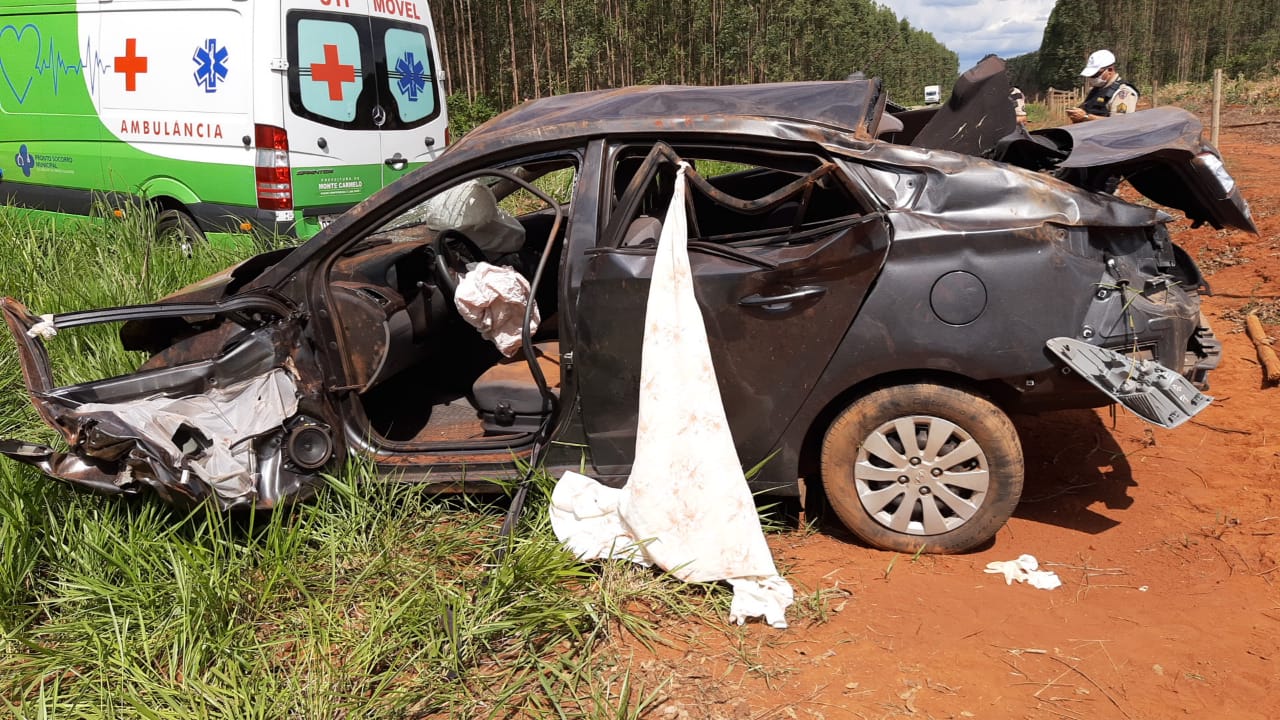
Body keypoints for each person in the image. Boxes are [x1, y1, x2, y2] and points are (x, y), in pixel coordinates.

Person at [1066, 49, 1138, 123]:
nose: (1092, 78)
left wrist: (1086, 117)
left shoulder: (1123, 92)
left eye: (1096, 74)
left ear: (1110, 70)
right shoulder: (1095, 90)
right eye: (1090, 75)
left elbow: (1120, 122)